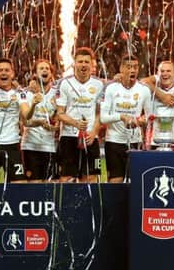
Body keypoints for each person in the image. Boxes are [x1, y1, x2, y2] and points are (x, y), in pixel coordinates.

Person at [100, 55, 152, 183]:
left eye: (135, 67)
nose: (132, 70)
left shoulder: (144, 90)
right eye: (129, 67)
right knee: (115, 181)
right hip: (114, 141)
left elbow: (150, 117)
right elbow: (103, 118)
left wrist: (140, 121)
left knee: (135, 182)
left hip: (135, 141)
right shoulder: (111, 89)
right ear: (121, 69)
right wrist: (121, 117)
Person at [56, 47, 104, 183]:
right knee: (66, 178)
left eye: (86, 62)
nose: (83, 65)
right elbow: (60, 113)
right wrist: (75, 123)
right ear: (74, 64)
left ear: (92, 64)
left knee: (91, 177)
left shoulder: (99, 85)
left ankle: (88, 204)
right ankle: (66, 204)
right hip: (69, 137)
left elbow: (100, 113)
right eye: (80, 61)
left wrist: (94, 131)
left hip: (90, 137)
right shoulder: (65, 83)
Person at [21, 59, 59, 183]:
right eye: (41, 68)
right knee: (33, 186)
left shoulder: (56, 93)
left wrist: (56, 126)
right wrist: (40, 122)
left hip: (49, 147)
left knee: (50, 187)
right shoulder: (27, 93)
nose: (44, 70)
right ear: (35, 74)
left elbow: (58, 118)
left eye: (47, 68)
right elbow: (26, 121)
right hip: (30, 146)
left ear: (51, 74)